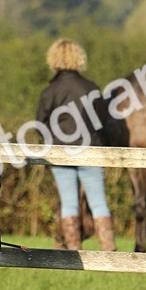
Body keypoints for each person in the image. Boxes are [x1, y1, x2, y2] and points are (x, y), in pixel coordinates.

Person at [36, 39, 115, 251]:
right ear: (78, 58)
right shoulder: (91, 88)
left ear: (53, 59)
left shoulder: (49, 91)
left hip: (60, 153)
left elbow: (40, 124)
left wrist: (50, 146)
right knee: (98, 202)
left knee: (69, 202)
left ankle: (73, 251)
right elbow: (101, 122)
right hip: (89, 151)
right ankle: (109, 250)